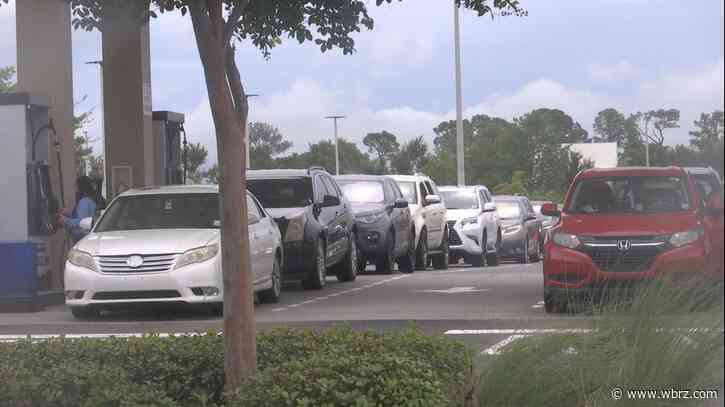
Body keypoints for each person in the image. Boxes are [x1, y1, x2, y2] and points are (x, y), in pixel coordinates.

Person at [59, 176, 98, 243]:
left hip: (82, 237)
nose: (75, 188)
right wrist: (68, 214)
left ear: (81, 186)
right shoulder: (90, 200)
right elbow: (83, 216)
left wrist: (64, 219)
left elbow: (81, 221)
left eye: (76, 186)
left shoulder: (84, 201)